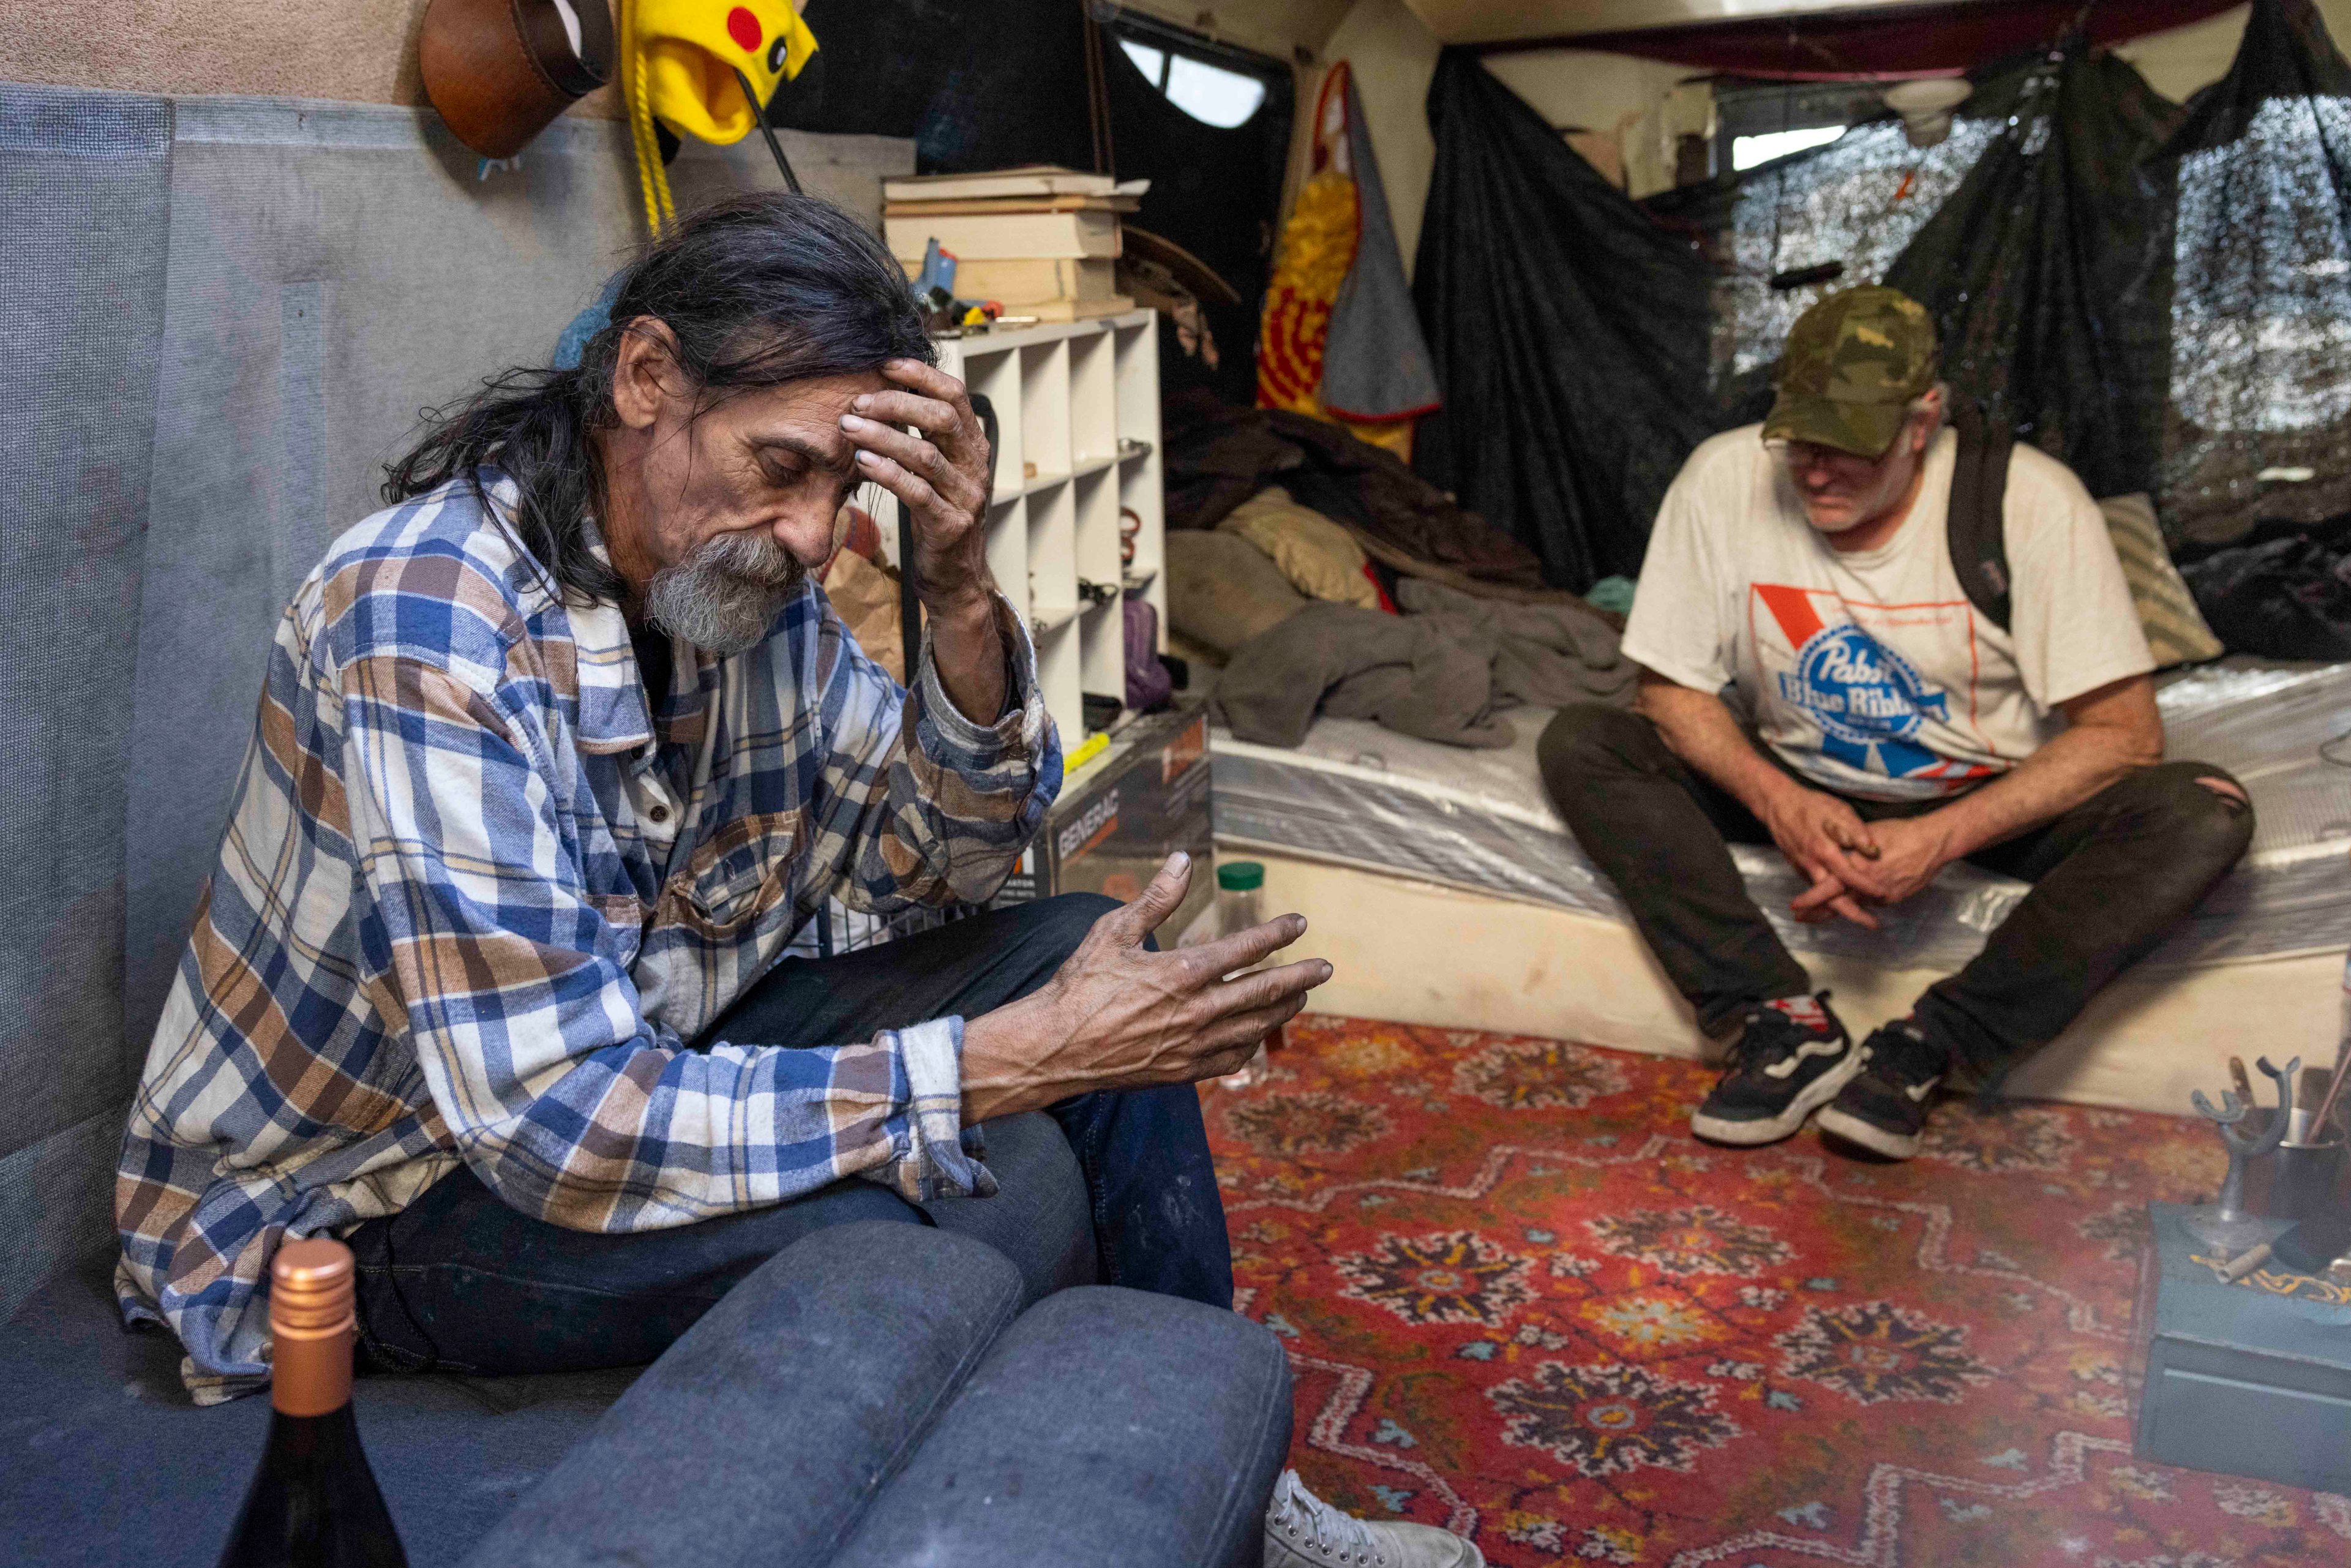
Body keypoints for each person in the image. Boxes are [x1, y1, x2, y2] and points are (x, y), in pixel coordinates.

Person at [115, 193, 1478, 1567]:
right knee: (975, 1178)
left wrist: (956, 599)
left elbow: (950, 871)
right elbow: (553, 1121)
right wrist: (1002, 1063)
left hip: (661, 1048)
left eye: (847, 489)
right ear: (647, 379)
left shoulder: (747, 590)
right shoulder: (427, 624)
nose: (818, 536)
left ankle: (1228, 1483)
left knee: (1074, 949)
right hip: (385, 1199)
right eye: (784, 467)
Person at [1540, 286, 2254, 1159]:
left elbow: (2126, 733)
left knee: (2202, 809)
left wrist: (1940, 839)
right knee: (1585, 741)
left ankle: (1934, 1043)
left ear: (1924, 420)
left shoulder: (2031, 502)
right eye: (1802, 438)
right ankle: (1780, 1019)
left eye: (1849, 446)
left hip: (1983, 790)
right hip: (1801, 771)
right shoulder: (1723, 479)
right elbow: (1671, 690)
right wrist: (1777, 802)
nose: (1815, 471)